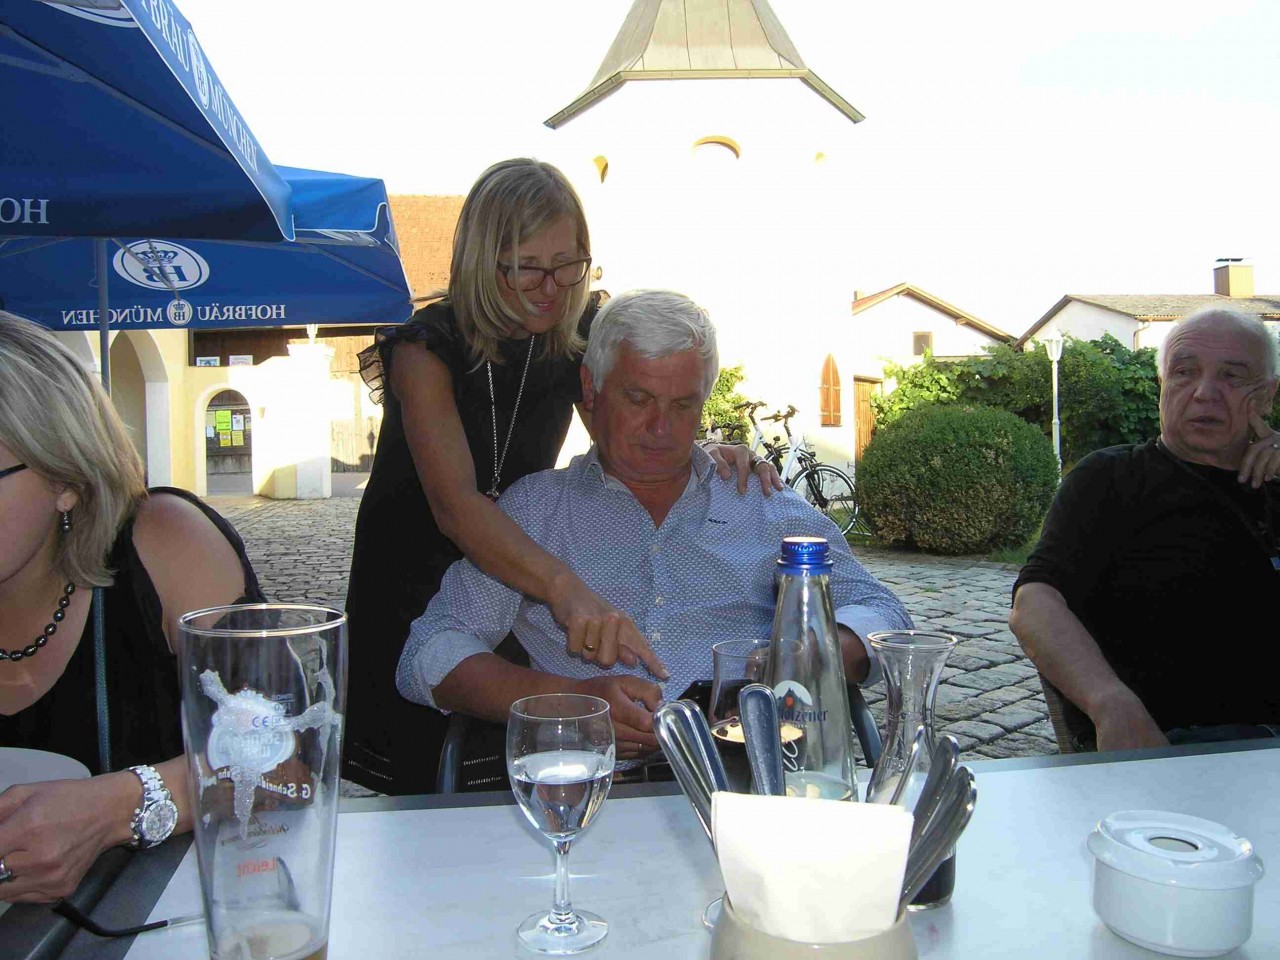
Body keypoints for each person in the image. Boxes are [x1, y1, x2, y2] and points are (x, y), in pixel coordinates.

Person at [345, 160, 779, 794]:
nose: (550, 288)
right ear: (483, 260)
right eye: (527, 267)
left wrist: (699, 446)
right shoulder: (425, 348)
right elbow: (456, 505)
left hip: (518, 557)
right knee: (419, 754)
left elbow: (633, 407)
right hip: (423, 559)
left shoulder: (575, 329)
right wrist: (564, 588)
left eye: (567, 264)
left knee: (514, 736)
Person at [395, 289, 912, 761]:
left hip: (751, 777)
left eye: (683, 405)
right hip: (591, 787)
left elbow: (884, 614)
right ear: (591, 389)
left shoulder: (761, 503)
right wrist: (570, 702)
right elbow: (428, 655)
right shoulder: (536, 512)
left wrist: (803, 658)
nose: (662, 429)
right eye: (639, 399)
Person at [0, 312, 265, 904]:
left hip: (165, 922)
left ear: (64, 477)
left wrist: (117, 808)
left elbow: (288, 758)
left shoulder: (164, 543)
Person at [1010, 307, 1280, 752]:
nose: (1204, 393)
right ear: (1162, 384)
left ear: (1267, 395)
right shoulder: (1112, 480)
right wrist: (1110, 703)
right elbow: (1034, 603)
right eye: (1184, 372)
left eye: (1232, 376)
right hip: (1176, 746)